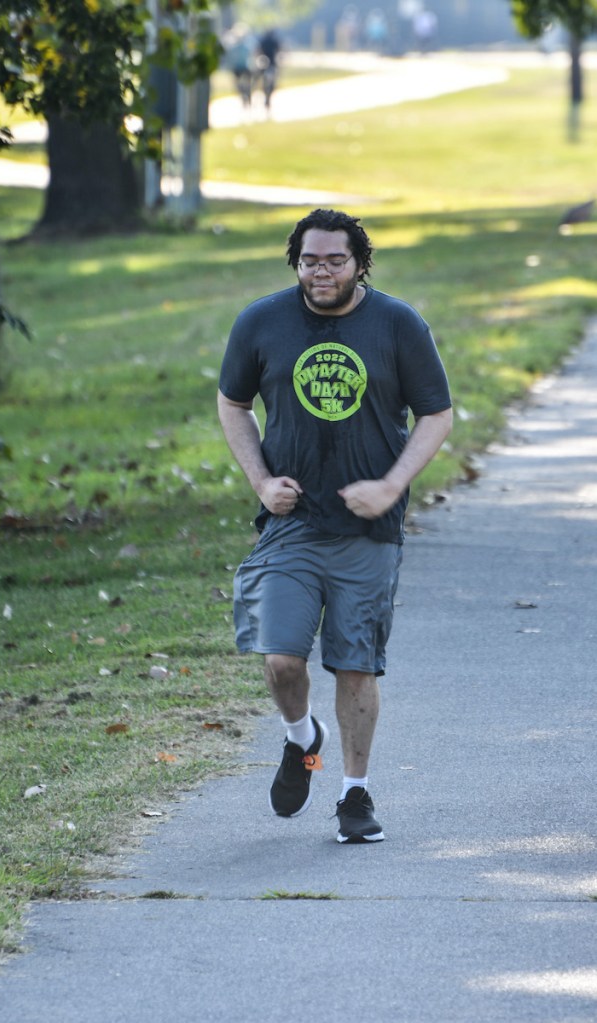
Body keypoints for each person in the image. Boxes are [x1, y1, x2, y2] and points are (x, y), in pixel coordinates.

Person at [217, 209, 452, 844]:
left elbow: (436, 414)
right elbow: (233, 403)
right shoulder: (262, 321)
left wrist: (391, 485)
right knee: (281, 661)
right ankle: (304, 741)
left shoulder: (397, 324)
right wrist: (261, 481)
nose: (321, 272)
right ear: (296, 262)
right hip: (291, 524)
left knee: (355, 667)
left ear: (359, 264)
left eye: (335, 261)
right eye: (310, 261)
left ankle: (353, 793)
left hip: (367, 530)